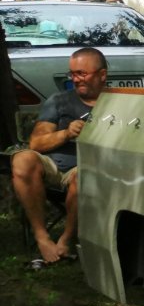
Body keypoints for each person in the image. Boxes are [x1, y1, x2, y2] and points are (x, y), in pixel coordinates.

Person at [9, 47, 108, 263]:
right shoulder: (60, 101)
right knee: (23, 159)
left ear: (102, 75)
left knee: (85, 175)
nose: (75, 79)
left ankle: (66, 239)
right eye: (72, 74)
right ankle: (42, 237)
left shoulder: (117, 104)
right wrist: (66, 133)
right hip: (54, 168)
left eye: (82, 73)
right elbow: (36, 142)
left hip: (92, 170)